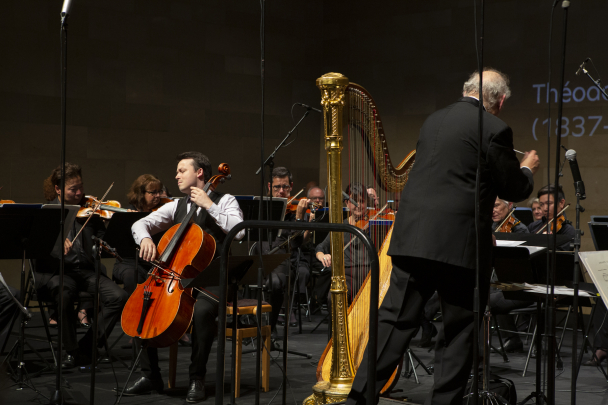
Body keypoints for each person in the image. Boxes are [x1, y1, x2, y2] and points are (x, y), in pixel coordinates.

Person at [345, 69, 539, 405]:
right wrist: (527, 168)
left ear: (465, 89)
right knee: (459, 333)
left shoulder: (433, 120)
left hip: (413, 239)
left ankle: (358, 400)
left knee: (393, 323)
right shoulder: (495, 128)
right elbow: (513, 188)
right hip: (460, 248)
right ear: (501, 100)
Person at [123, 152, 245, 403]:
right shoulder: (175, 205)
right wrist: (145, 237)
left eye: (181, 170)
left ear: (199, 173)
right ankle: (150, 375)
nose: (176, 175)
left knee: (201, 312)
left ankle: (196, 378)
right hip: (177, 278)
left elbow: (239, 232)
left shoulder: (225, 200)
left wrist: (209, 206)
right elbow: (140, 224)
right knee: (142, 303)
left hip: (213, 280)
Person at [35, 163, 128, 369]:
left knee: (118, 297)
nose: (79, 193)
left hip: (85, 272)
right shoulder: (47, 214)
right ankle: (70, 350)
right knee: (64, 293)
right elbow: (36, 250)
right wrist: (55, 245)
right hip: (57, 273)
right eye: (72, 189)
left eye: (81, 187)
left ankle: (88, 345)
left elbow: (102, 240)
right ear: (58, 189)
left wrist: (106, 240)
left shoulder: (90, 213)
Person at [262, 167, 311, 332]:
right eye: (277, 187)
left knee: (277, 281)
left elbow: (296, 243)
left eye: (285, 187)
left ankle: (271, 325)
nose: (281, 191)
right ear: (270, 187)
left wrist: (298, 217)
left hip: (283, 257)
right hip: (263, 253)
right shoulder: (263, 207)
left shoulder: (295, 210)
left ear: (291, 187)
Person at [315, 183, 370, 303]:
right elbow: (321, 247)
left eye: (362, 201)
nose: (359, 205)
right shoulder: (342, 226)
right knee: (334, 298)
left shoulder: (375, 224)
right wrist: (322, 256)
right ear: (347, 203)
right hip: (347, 277)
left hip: (370, 276)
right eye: (355, 202)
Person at [527, 185, 574, 251]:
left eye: (549, 203)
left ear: (561, 203)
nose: (545, 209)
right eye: (541, 204)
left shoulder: (567, 230)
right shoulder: (533, 226)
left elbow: (561, 257)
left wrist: (544, 243)